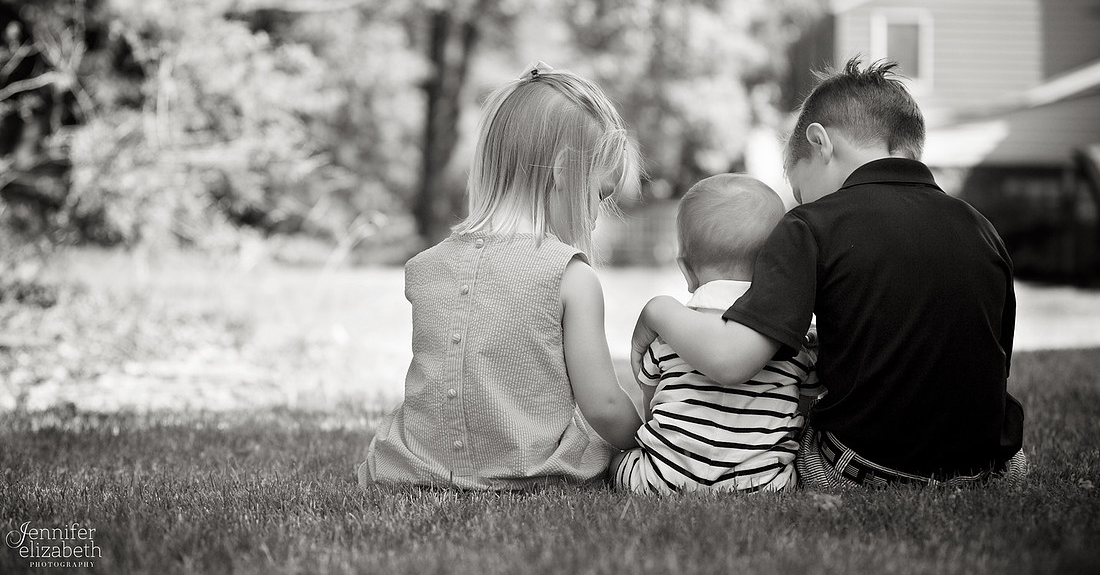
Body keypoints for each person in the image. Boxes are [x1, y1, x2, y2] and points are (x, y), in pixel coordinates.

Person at [631, 58, 1027, 488]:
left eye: (800, 190)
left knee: (783, 443)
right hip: (983, 467)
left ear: (820, 144)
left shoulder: (811, 226)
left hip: (868, 469)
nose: (801, 204)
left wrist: (658, 311)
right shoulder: (981, 228)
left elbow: (730, 361)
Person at [360, 62, 642, 490]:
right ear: (565, 172)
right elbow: (603, 405)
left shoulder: (426, 266)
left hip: (414, 472)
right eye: (597, 195)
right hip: (531, 475)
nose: (596, 215)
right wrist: (649, 441)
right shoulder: (568, 275)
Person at [612, 174, 822, 494]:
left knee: (618, 462)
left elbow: (652, 406)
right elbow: (804, 412)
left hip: (661, 479)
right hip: (763, 483)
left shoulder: (665, 337)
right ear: (778, 264)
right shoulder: (798, 342)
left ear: (685, 269)